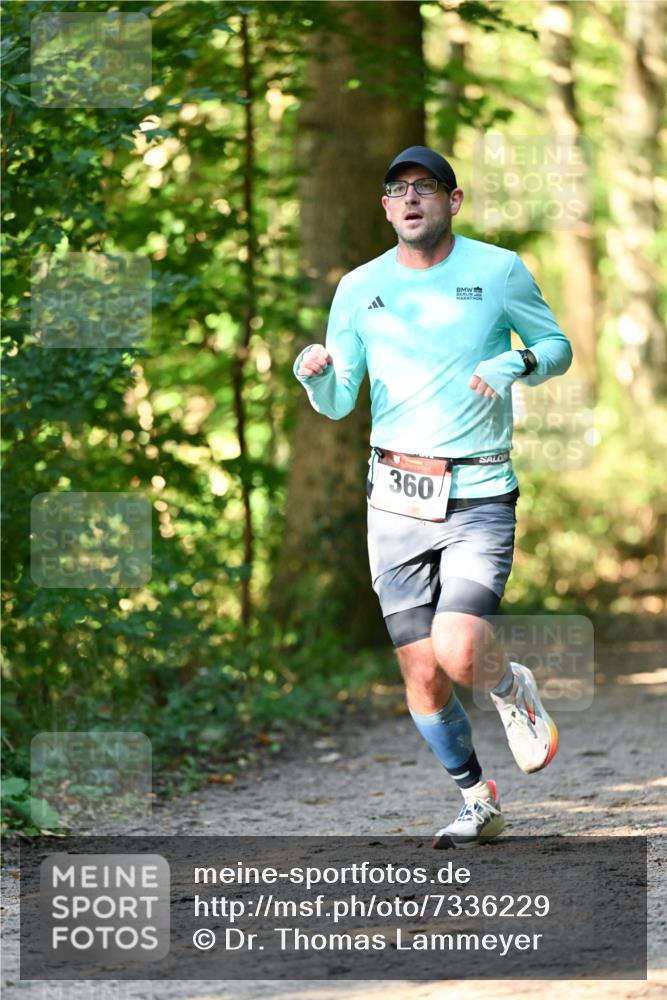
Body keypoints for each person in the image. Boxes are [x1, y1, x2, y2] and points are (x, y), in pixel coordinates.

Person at [294, 145, 572, 847]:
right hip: (392, 497)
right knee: (421, 673)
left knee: (457, 646)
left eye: (426, 187)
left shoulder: (497, 269)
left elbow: (556, 346)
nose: (411, 197)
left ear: (453, 201)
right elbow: (336, 401)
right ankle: (477, 799)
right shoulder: (359, 286)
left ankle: (509, 688)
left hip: (478, 487)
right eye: (396, 189)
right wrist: (314, 374)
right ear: (385, 208)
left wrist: (519, 360)